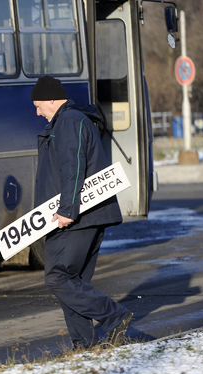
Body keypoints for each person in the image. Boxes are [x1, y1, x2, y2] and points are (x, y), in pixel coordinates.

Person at [31, 75, 133, 349]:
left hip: (74, 218)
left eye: (39, 105)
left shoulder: (69, 122)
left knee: (57, 276)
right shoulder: (71, 121)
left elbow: (73, 166)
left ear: (51, 99)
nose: (37, 111)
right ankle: (84, 344)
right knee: (72, 282)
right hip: (84, 215)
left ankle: (114, 317)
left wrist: (67, 210)